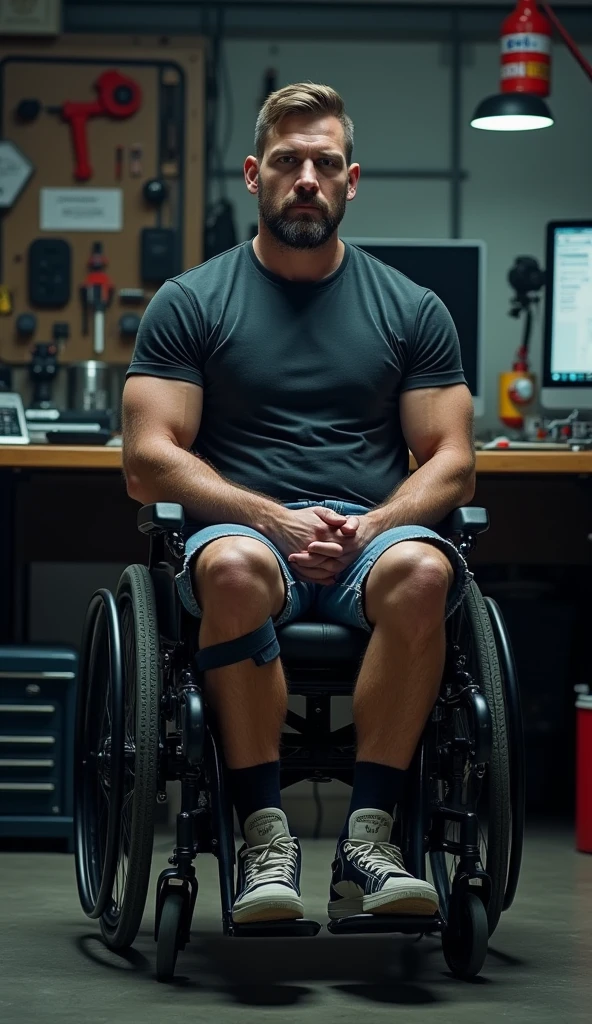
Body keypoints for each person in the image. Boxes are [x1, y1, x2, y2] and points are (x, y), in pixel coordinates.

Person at [122, 82, 475, 926]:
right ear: (254, 174)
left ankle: (371, 839)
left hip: (369, 539)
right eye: (288, 161)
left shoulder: (412, 310)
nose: (306, 177)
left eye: (324, 162)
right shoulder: (192, 302)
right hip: (250, 537)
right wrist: (272, 518)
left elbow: (453, 463)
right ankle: (264, 843)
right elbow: (147, 458)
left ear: (353, 180)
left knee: (428, 572)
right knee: (236, 567)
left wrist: (375, 528)